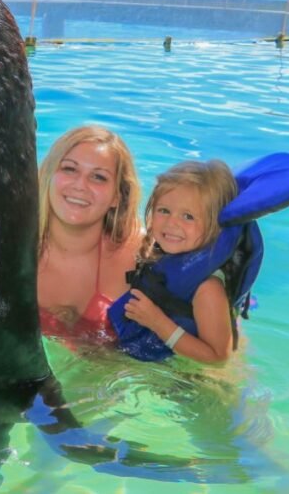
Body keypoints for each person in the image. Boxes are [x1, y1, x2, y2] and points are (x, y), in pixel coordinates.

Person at [121, 160, 238, 364]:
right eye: (164, 210)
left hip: (196, 382)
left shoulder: (208, 288)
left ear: (215, 226)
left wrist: (157, 321)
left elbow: (218, 358)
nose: (172, 222)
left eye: (188, 216)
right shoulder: (160, 255)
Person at [36, 125, 143, 342]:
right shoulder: (10, 248)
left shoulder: (141, 252)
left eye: (99, 177)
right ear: (48, 176)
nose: (80, 185)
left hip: (117, 370)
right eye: (69, 169)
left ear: (117, 196)